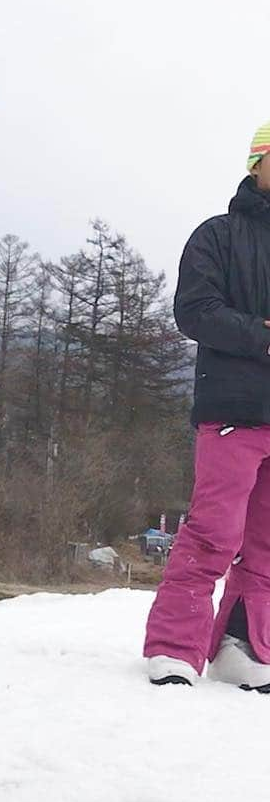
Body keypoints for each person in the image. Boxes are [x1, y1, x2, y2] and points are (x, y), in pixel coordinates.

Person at [144, 119, 270, 691]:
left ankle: (241, 647)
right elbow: (194, 310)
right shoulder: (217, 234)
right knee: (213, 534)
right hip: (234, 412)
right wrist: (261, 335)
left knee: (266, 543)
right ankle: (175, 649)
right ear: (258, 162)